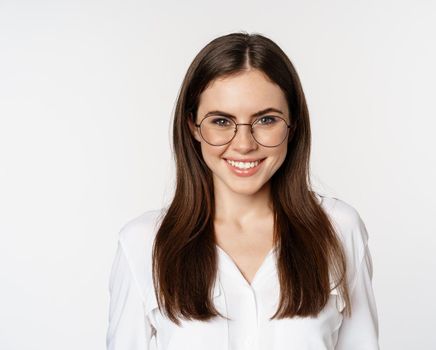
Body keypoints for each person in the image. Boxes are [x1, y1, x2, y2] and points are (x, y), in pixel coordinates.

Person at [106, 31, 380, 350]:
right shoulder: (143, 243)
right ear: (193, 126)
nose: (245, 144)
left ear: (293, 125)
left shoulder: (339, 229)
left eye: (266, 119)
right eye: (221, 121)